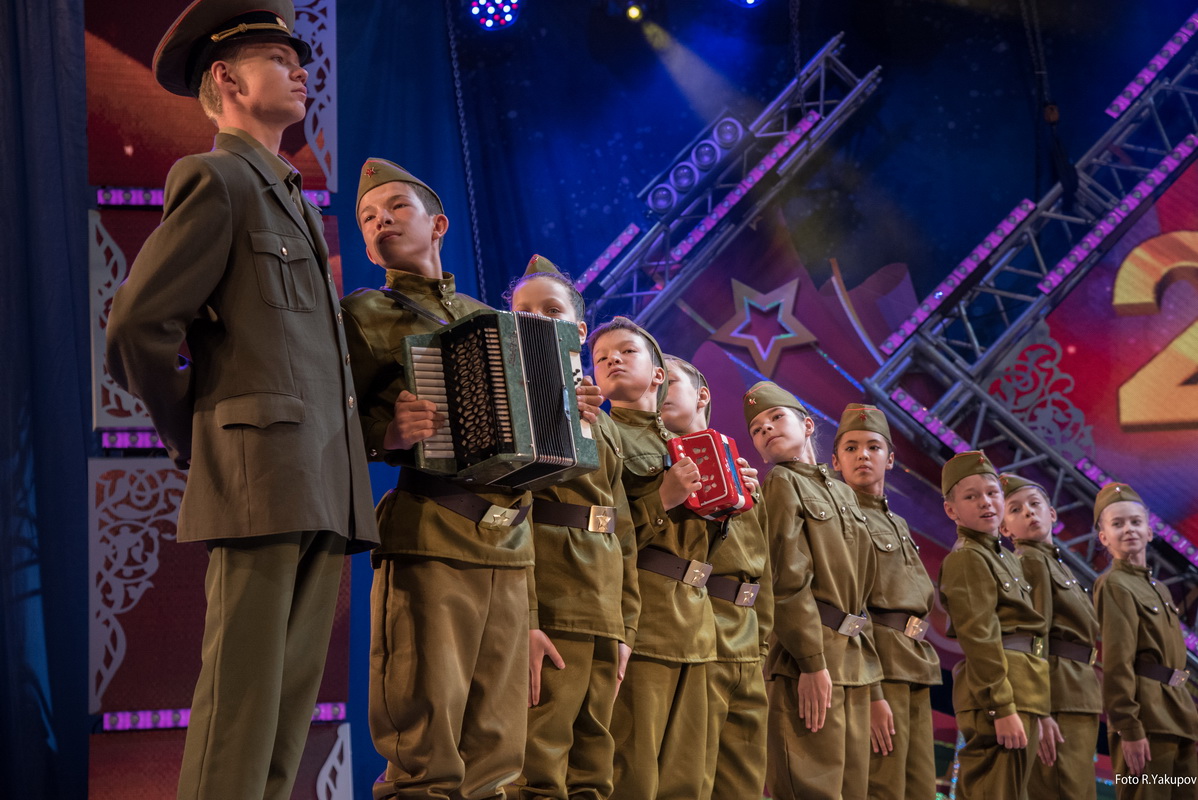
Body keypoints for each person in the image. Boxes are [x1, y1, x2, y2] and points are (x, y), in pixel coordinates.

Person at [104, 2, 379, 797]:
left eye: (300, 59)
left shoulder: (290, 196)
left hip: (320, 479)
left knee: (285, 717)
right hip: (262, 476)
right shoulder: (217, 178)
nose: (301, 71)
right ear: (226, 78)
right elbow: (137, 326)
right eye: (278, 60)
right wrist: (198, 433)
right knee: (240, 709)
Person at [341, 159, 538, 800]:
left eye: (396, 207)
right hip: (431, 535)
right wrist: (388, 434)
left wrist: (574, 413)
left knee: (498, 752)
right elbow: (323, 422)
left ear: (438, 224)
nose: (381, 221)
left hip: (509, 544)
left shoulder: (490, 318)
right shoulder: (362, 313)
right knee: (425, 745)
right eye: (368, 218)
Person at [505, 256, 641, 800]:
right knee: (538, 762)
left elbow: (622, 532)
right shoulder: (512, 403)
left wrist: (624, 628)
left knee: (593, 767)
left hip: (601, 608)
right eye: (523, 311)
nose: (537, 320)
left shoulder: (602, 420)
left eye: (551, 310)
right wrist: (526, 620)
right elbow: (511, 514)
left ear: (580, 330)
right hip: (553, 599)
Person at [589, 317, 715, 800]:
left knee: (689, 778)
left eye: (626, 351)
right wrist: (661, 498)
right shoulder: (604, 432)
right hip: (644, 618)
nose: (613, 360)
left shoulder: (681, 443)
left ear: (658, 374)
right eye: (602, 357)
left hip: (695, 623)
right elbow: (601, 533)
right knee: (634, 773)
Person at [744, 381, 880, 800]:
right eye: (757, 429)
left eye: (776, 417)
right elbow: (786, 580)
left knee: (852, 791)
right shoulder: (781, 482)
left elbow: (864, 582)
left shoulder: (842, 491)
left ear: (806, 425)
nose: (766, 429)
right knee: (813, 789)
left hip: (851, 658)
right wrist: (810, 662)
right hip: (809, 657)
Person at [660, 356, 771, 800]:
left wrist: (762, 643)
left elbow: (764, 570)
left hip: (746, 636)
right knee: (689, 776)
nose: (659, 389)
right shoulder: (660, 462)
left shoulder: (741, 470)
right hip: (700, 629)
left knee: (743, 779)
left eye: (670, 381)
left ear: (702, 394)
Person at [829, 404, 940, 800]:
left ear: (890, 459)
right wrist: (874, 692)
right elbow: (852, 606)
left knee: (919, 788)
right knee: (882, 787)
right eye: (851, 448)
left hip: (914, 665)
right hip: (878, 668)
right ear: (836, 461)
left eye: (873, 447)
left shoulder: (898, 523)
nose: (863, 455)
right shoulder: (842, 517)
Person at [937, 451, 1049, 800]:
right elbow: (980, 638)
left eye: (992, 493)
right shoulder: (967, 557)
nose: (986, 502)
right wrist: (1001, 707)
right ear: (952, 510)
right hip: (998, 693)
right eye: (971, 496)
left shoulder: (1003, 558)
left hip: (1023, 685)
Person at [1000, 473, 1102, 799]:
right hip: (1056, 695)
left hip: (1077, 691)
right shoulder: (1030, 561)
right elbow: (1034, 637)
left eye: (1035, 504)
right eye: (1015, 510)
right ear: (1004, 528)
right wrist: (1040, 711)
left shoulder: (1057, 564)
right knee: (1063, 790)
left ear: (1052, 513)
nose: (1028, 512)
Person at [1093, 482, 1198, 798]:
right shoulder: (1114, 584)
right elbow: (1117, 662)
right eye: (1118, 524)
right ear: (1103, 537)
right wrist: (1128, 727)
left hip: (1177, 715)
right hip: (1147, 719)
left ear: (1150, 532)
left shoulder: (1159, 588)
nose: (1129, 529)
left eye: (1136, 522)